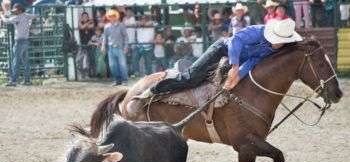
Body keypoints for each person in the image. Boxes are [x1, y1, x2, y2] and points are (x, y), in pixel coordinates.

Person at [135, 19, 302, 100]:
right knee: (191, 78)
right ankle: (155, 89)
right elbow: (235, 40)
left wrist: (238, 76)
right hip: (221, 50)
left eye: (282, 41)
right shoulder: (258, 31)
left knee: (235, 86)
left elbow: (252, 61)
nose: (278, 43)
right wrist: (235, 66)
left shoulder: (272, 50)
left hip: (238, 62)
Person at [0, 3, 36, 86]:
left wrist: (1, 15)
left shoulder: (17, 17)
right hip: (26, 41)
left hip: (19, 41)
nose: (15, 12)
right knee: (25, 62)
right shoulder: (26, 16)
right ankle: (27, 80)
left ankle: (13, 81)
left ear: (19, 10)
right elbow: (35, 16)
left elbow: (6, 21)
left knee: (16, 61)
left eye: (16, 10)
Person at [102, 9, 128, 85]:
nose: (112, 17)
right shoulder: (106, 27)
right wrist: (103, 45)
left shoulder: (121, 25)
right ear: (108, 17)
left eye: (113, 16)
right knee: (113, 65)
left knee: (122, 64)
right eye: (110, 16)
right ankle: (117, 80)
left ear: (116, 16)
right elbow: (105, 37)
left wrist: (126, 47)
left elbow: (125, 37)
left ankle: (124, 80)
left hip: (120, 48)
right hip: (111, 48)